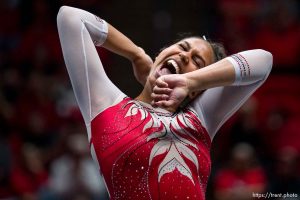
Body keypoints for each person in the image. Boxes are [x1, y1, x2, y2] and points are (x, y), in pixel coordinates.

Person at [57, 6, 272, 200]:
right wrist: (136, 53)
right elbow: (71, 17)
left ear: (199, 89)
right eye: (182, 47)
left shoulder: (200, 118)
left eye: (197, 61)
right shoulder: (105, 104)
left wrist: (188, 81)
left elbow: (263, 61)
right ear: (162, 53)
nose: (184, 56)